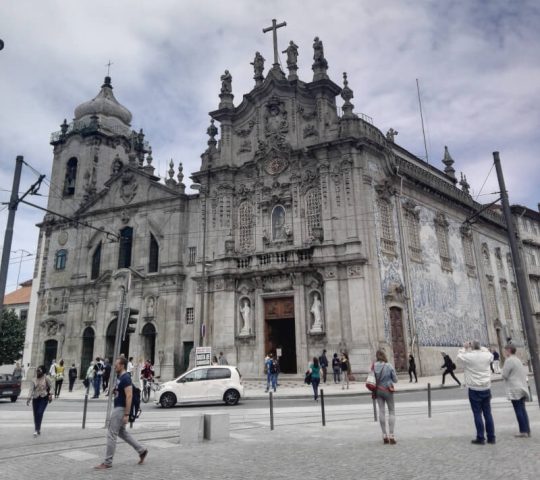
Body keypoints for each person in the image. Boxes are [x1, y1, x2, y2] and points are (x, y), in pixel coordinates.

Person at [94, 357, 148, 470]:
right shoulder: (120, 377)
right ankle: (141, 450)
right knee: (122, 432)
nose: (115, 366)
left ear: (122, 365)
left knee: (111, 434)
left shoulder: (126, 378)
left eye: (117, 364)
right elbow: (123, 393)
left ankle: (107, 462)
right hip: (119, 407)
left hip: (121, 409)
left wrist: (127, 414)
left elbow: (129, 396)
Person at [458, 341, 495, 445]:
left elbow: (459, 357)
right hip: (486, 388)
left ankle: (480, 437)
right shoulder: (487, 356)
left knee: (477, 413)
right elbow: (489, 352)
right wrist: (479, 347)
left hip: (474, 389)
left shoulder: (469, 356)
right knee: (488, 414)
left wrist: (464, 348)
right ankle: (491, 437)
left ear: (471, 347)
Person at [501, 344, 530, 437]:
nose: (504, 352)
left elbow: (504, 375)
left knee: (518, 410)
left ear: (509, 350)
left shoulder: (509, 360)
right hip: (521, 387)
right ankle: (527, 429)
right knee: (522, 409)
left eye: (505, 350)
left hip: (515, 389)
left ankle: (523, 431)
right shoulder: (517, 359)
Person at [373, 350, 398, 444]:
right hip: (388, 390)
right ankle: (391, 435)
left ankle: (384, 435)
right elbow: (395, 380)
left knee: (381, 411)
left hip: (378, 390)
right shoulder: (389, 366)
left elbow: (372, 378)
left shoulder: (374, 366)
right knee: (391, 411)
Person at [26, 365, 52, 437]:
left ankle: (37, 430)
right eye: (37, 370)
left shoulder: (46, 378)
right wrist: (28, 398)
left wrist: (50, 394)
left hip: (44, 398)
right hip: (35, 398)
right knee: (35, 414)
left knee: (39, 413)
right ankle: (37, 429)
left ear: (43, 371)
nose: (38, 372)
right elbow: (31, 390)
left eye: (39, 370)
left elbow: (52, 386)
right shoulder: (33, 379)